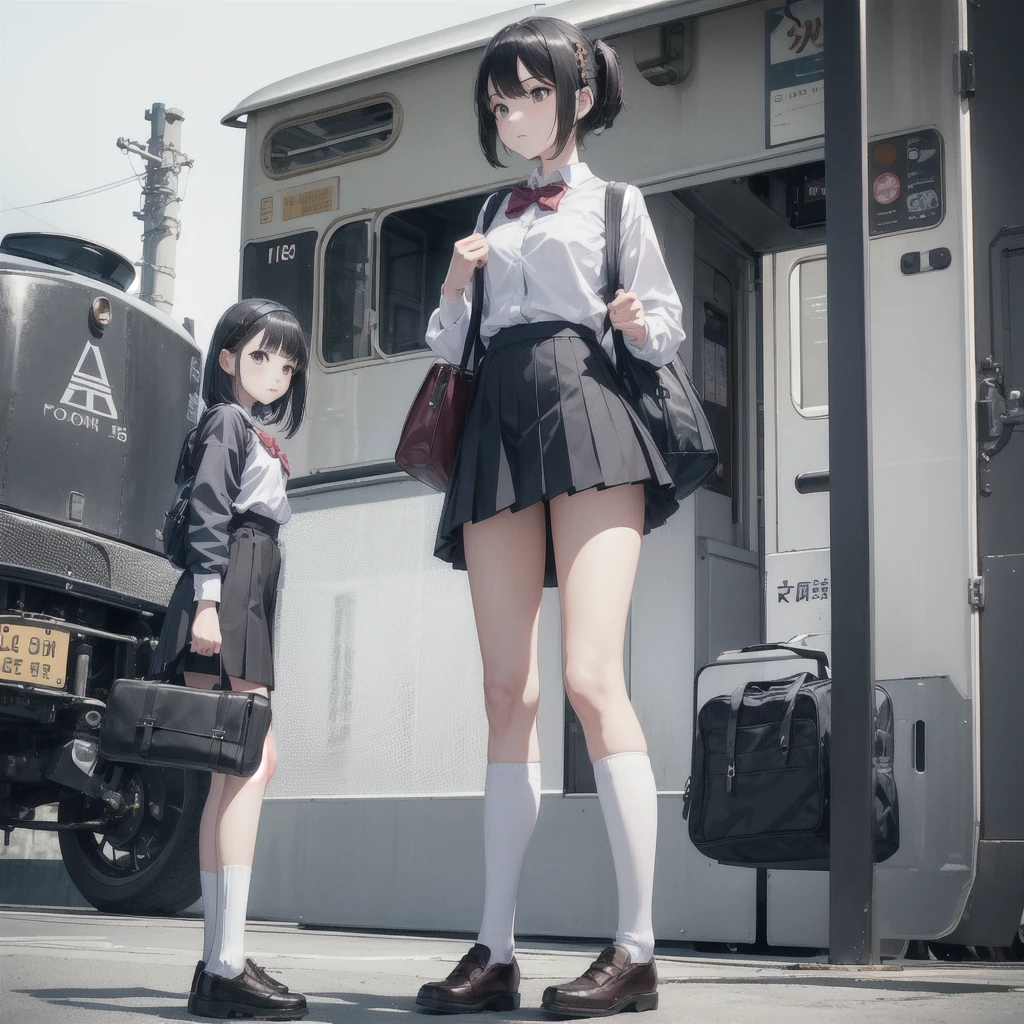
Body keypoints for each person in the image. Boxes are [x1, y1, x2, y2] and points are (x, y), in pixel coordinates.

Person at [415, 16, 686, 1019]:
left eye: (526, 93)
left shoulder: (616, 203)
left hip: (590, 415)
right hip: (498, 421)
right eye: (499, 101)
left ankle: (638, 946)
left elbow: (661, 330)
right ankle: (495, 946)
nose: (511, 112)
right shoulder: (491, 207)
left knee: (588, 677)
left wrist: (633, 321)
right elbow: (451, 343)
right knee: (504, 691)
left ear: (575, 95)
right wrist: (452, 282)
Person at [151, 298, 309, 1021]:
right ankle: (226, 962)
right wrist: (211, 603)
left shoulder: (244, 427)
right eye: (260, 356)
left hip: (241, 590)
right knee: (249, 764)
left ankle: (221, 960)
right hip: (229, 591)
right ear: (226, 358)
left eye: (287, 362)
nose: (275, 371)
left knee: (234, 768)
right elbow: (212, 510)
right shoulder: (226, 422)